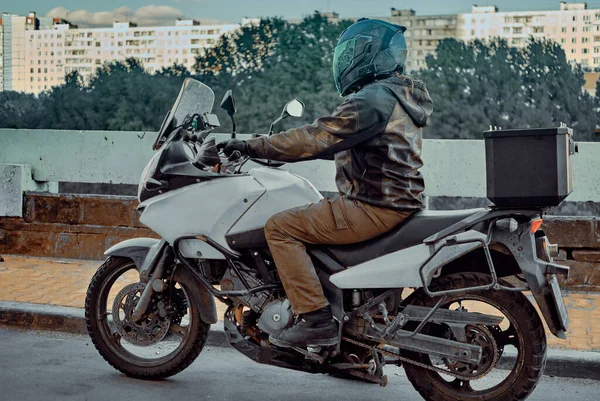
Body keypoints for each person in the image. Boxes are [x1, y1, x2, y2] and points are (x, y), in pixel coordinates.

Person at [218, 19, 433, 349]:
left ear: (367, 53)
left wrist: (252, 145)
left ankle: (316, 319)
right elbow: (352, 146)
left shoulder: (373, 99)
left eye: (350, 54)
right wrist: (281, 153)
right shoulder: (397, 96)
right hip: (398, 201)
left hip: (373, 206)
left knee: (280, 228)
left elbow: (317, 137)